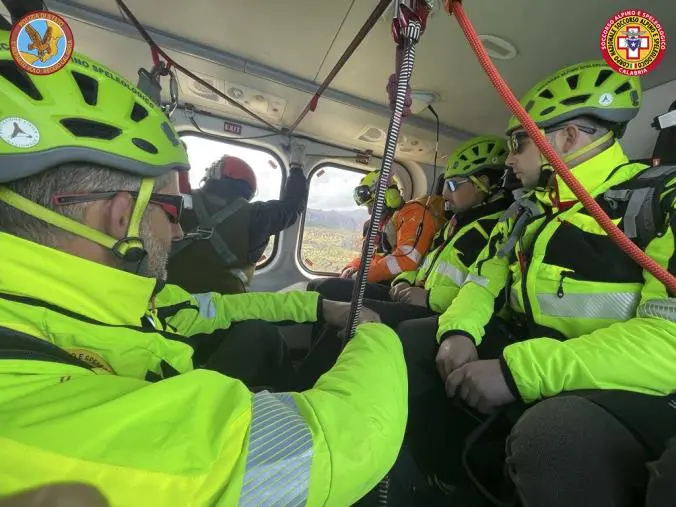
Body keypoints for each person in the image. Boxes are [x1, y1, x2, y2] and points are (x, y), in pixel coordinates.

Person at [0, 33, 407, 506]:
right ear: (118, 216)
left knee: (256, 332)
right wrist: (379, 335)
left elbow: (212, 308)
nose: (176, 234)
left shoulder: (115, 307)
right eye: (171, 211)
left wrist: (319, 305)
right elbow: (345, 443)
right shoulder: (35, 412)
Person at [396, 59, 676, 505]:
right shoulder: (527, 210)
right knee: (410, 342)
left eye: (518, 141)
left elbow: (669, 341)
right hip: (532, 346)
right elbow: (483, 282)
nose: (507, 158)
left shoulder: (660, 199)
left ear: (567, 136)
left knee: (555, 439)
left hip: (628, 381)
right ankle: (444, 483)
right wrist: (458, 331)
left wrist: (517, 372)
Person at [167, 142, 308, 294]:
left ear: (211, 177)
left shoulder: (178, 200)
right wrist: (296, 167)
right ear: (249, 189)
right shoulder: (256, 216)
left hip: (163, 306)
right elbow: (291, 206)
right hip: (223, 312)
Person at [308, 169, 441, 300]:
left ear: (389, 196)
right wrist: (352, 267)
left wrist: (362, 275)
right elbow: (368, 255)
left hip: (397, 285)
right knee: (317, 286)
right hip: (377, 278)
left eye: (371, 205)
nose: (370, 212)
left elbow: (407, 259)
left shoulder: (414, 214)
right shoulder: (380, 223)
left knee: (323, 288)